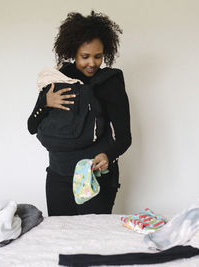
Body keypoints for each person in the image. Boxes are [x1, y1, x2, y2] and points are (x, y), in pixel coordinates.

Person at [28, 11, 131, 216]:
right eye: (85, 56)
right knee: (60, 238)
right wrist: (45, 103)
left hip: (94, 175)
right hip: (58, 175)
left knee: (93, 240)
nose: (92, 63)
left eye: (98, 56)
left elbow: (125, 138)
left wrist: (108, 155)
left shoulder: (110, 84)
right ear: (73, 52)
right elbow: (32, 126)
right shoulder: (57, 81)